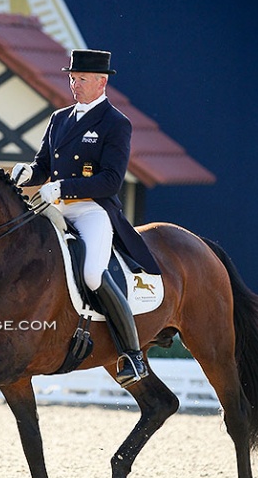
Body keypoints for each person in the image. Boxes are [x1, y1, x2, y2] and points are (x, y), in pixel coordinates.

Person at [12, 49, 160, 387]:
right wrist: (26, 173)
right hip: (57, 206)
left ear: (101, 82)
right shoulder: (59, 119)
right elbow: (43, 166)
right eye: (71, 78)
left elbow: (110, 180)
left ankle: (132, 354)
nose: (73, 84)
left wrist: (63, 187)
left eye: (80, 79)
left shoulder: (116, 123)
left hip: (93, 209)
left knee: (92, 273)